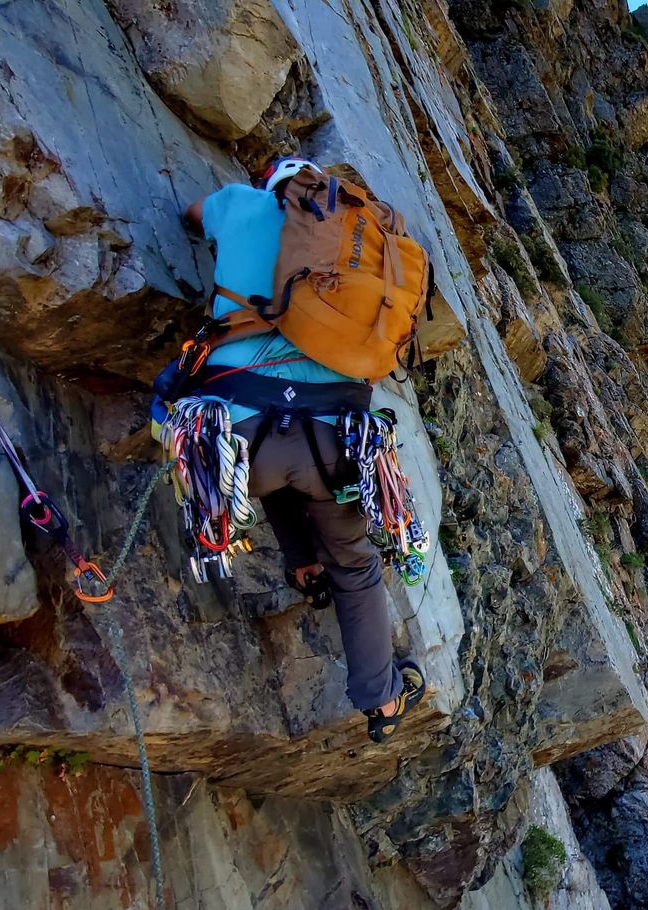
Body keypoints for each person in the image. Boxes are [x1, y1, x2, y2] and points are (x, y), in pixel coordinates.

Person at [182, 156, 424, 742]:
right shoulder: (357, 253)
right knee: (357, 565)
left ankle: (301, 561)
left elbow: (192, 217)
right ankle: (382, 701)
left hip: (236, 442)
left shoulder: (243, 205)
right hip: (335, 443)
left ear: (277, 186)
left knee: (259, 458)